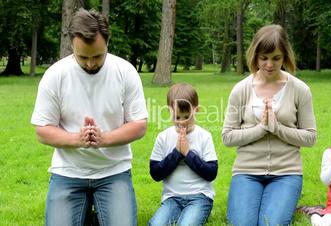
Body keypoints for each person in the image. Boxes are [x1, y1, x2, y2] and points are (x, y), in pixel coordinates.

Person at [31, 8, 148, 226]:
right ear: (72, 46)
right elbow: (42, 130)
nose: (91, 63)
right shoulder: (55, 75)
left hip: (114, 171)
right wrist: (77, 139)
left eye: (97, 56)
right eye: (82, 57)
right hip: (68, 172)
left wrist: (104, 139)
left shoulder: (125, 72)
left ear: (107, 44)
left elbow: (139, 124)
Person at [222, 24, 317, 226]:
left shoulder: (300, 90)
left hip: (286, 173)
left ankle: (284, 203)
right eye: (263, 58)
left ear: (285, 57)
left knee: (270, 223)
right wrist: (261, 128)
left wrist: (278, 128)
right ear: (255, 55)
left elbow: (310, 137)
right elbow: (227, 137)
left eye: (276, 58)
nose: (269, 65)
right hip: (246, 172)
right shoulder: (241, 90)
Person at [148, 83, 218, 226]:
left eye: (187, 116)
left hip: (199, 196)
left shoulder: (204, 136)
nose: (182, 122)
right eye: (177, 117)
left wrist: (188, 153)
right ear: (169, 111)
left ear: (196, 110)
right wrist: (177, 153)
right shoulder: (163, 137)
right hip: (172, 197)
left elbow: (211, 173)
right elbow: (155, 173)